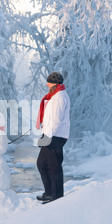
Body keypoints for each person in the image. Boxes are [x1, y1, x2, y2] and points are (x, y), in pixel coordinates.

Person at [36, 71, 70, 203]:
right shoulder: (55, 96)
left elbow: (56, 120)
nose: (47, 84)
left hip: (56, 136)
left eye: (49, 82)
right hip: (52, 134)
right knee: (42, 164)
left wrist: (47, 137)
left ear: (54, 84)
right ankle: (50, 193)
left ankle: (56, 197)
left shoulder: (60, 97)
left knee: (53, 166)